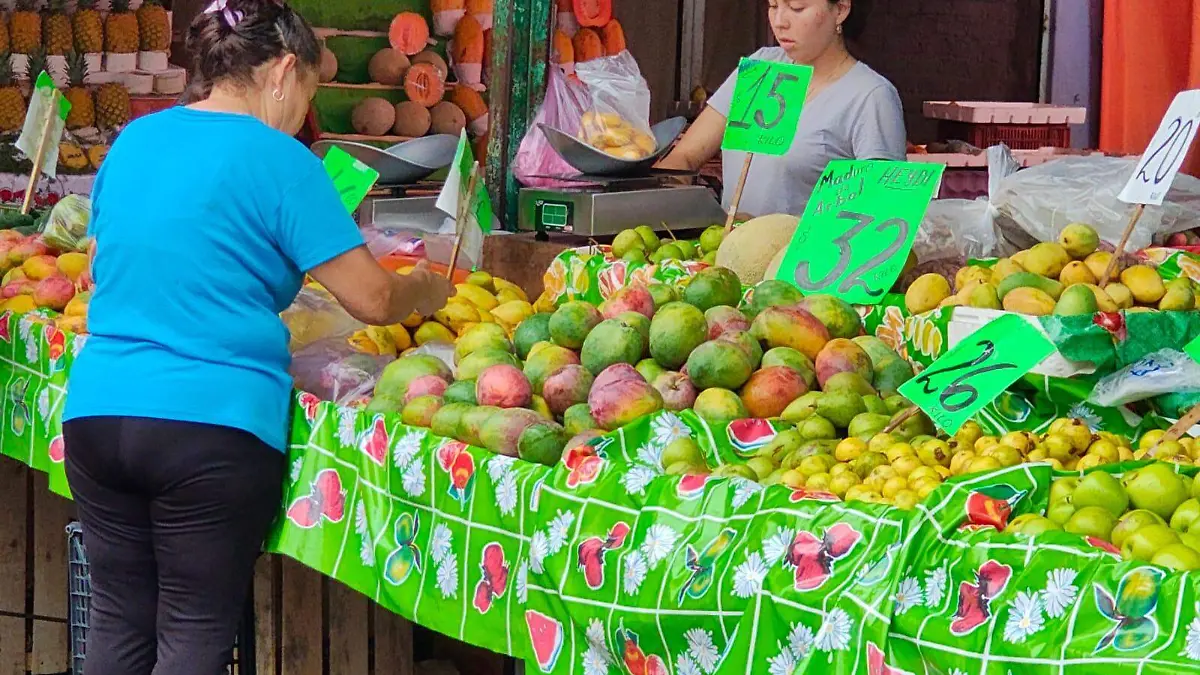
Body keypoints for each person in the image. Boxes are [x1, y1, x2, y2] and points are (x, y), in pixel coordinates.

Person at [61, 1, 455, 673]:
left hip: (99, 411)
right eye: (309, 91)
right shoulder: (281, 159)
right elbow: (372, 297)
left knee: (119, 629)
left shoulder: (136, 140)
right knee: (191, 634)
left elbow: (121, 262)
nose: (304, 111)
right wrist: (429, 286)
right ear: (282, 70)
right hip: (208, 427)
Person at [659, 0, 906, 217]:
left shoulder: (871, 96)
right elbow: (686, 156)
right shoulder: (762, 66)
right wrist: (652, 198)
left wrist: (779, 237)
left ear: (840, 10)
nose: (779, 22)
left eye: (797, 8)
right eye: (773, 5)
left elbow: (880, 214)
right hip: (725, 260)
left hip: (804, 266)